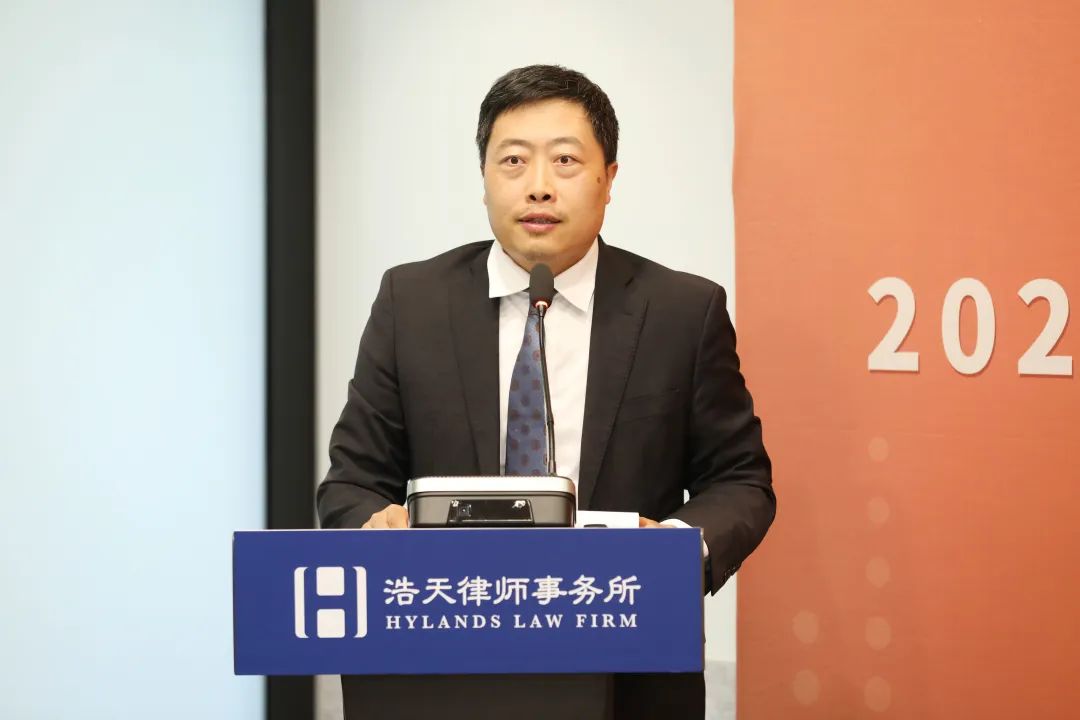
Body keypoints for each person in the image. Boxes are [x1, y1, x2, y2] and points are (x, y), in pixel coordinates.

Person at [318, 64, 775, 718]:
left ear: (608, 179)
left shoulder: (682, 310)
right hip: (441, 658)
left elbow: (739, 479)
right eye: (513, 161)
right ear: (483, 178)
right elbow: (352, 481)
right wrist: (376, 523)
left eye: (565, 161)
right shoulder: (410, 302)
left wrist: (675, 550)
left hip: (624, 665)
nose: (538, 186)